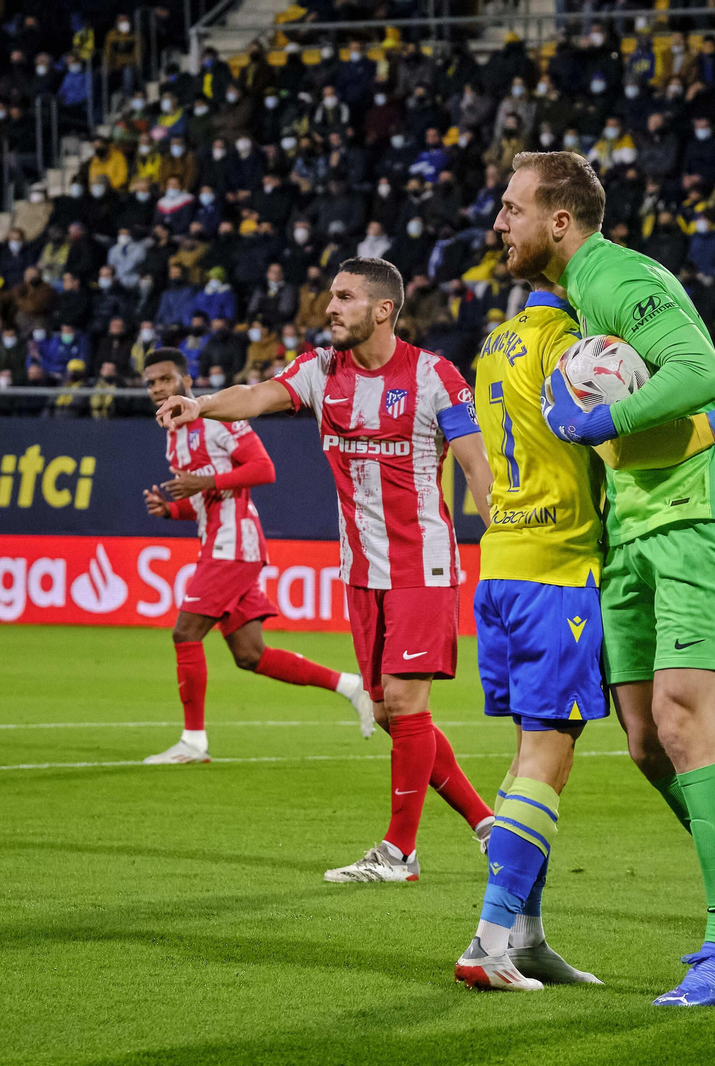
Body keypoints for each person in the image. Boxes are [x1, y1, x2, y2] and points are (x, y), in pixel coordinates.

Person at [493, 151, 715, 1007]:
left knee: (680, 718)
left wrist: (599, 415)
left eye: (513, 208)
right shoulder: (573, 301)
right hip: (634, 528)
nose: (501, 224)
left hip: (696, 522)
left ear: (559, 222)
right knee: (642, 740)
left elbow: (702, 371)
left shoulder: (617, 272)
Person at [157, 258, 497, 883]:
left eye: (344, 299)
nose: (330, 309)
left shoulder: (434, 376)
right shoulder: (321, 370)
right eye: (329, 298)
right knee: (395, 715)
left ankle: (400, 853)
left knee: (402, 698)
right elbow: (256, 396)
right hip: (360, 571)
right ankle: (487, 824)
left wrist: (499, 537)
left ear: (383, 309)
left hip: (424, 565)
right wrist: (199, 404)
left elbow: (476, 465)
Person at [137, 348, 374, 765]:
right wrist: (172, 508)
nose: (158, 388)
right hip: (217, 540)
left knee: (185, 633)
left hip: (235, 545)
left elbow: (264, 469)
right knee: (251, 655)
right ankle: (351, 687)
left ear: (185, 381)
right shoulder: (173, 435)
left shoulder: (215, 419)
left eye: (164, 379)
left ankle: (193, 742)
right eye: (151, 383)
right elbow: (207, 498)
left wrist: (203, 481)